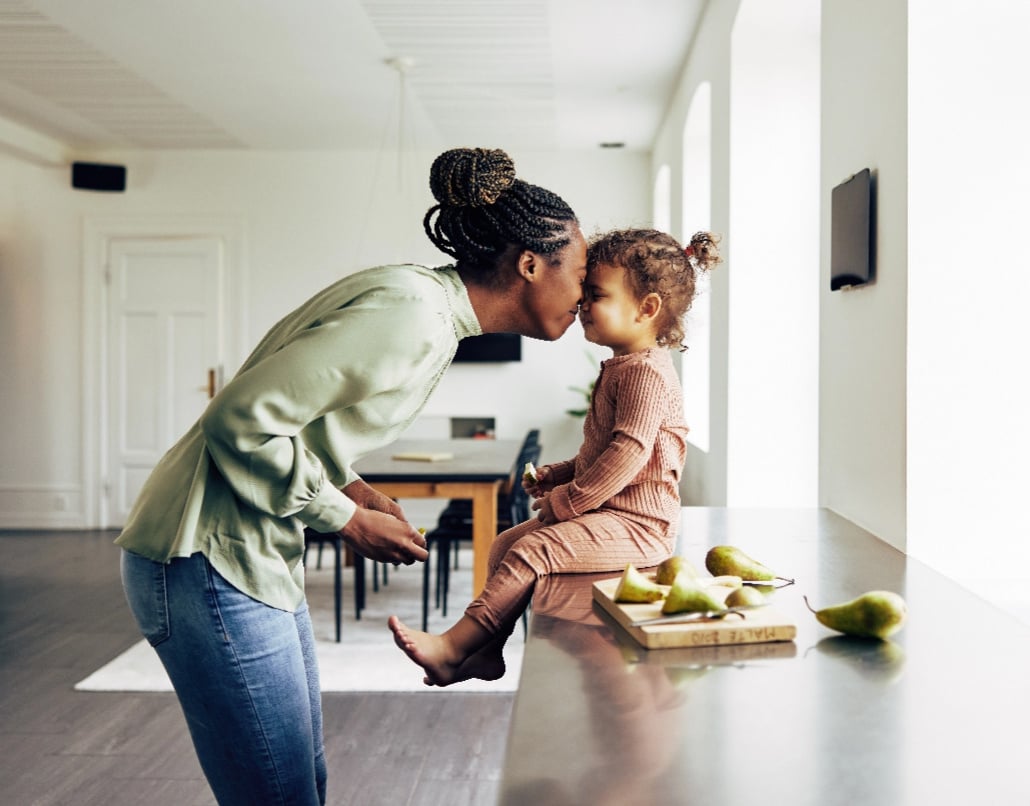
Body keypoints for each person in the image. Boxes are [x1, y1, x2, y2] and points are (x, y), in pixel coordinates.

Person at [116, 147, 586, 806]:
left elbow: (298, 423)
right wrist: (343, 519)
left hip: (244, 556)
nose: (587, 294)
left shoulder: (428, 310)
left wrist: (353, 487)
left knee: (300, 783)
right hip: (205, 556)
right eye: (584, 272)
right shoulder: (413, 314)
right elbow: (240, 420)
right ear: (530, 266)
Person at [389, 227, 722, 687]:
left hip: (641, 527)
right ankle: (487, 651)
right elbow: (606, 451)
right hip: (610, 514)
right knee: (506, 544)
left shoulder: (646, 373)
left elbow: (629, 453)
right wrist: (560, 473)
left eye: (597, 295)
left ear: (647, 309)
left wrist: (570, 499)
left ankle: (454, 646)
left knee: (532, 551)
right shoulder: (624, 368)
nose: (582, 304)